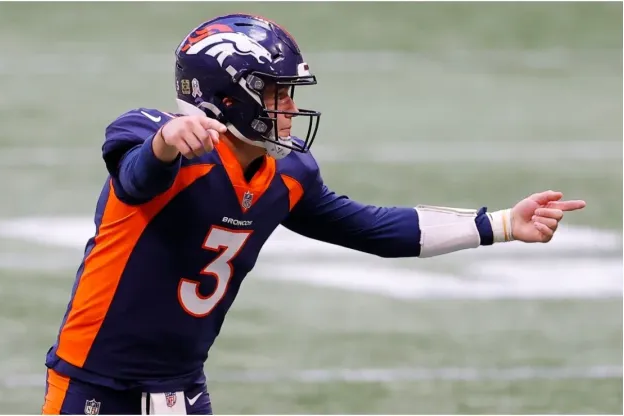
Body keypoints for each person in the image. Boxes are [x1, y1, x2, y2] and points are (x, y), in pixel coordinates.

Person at [40, 13, 586, 415]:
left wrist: (502, 224)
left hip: (182, 388)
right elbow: (135, 177)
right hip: (96, 384)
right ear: (227, 96)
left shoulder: (288, 175)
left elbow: (371, 228)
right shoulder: (155, 139)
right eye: (276, 93)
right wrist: (164, 143)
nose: (291, 107)